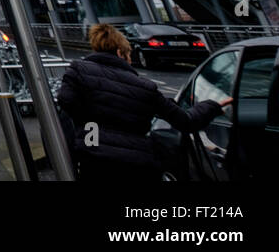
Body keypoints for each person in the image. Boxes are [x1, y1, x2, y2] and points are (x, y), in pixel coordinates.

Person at [57, 23, 230, 181]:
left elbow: (66, 101)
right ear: (120, 53)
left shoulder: (78, 70)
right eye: (129, 54)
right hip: (138, 162)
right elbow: (186, 121)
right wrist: (212, 106)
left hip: (94, 158)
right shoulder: (145, 87)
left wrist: (92, 129)